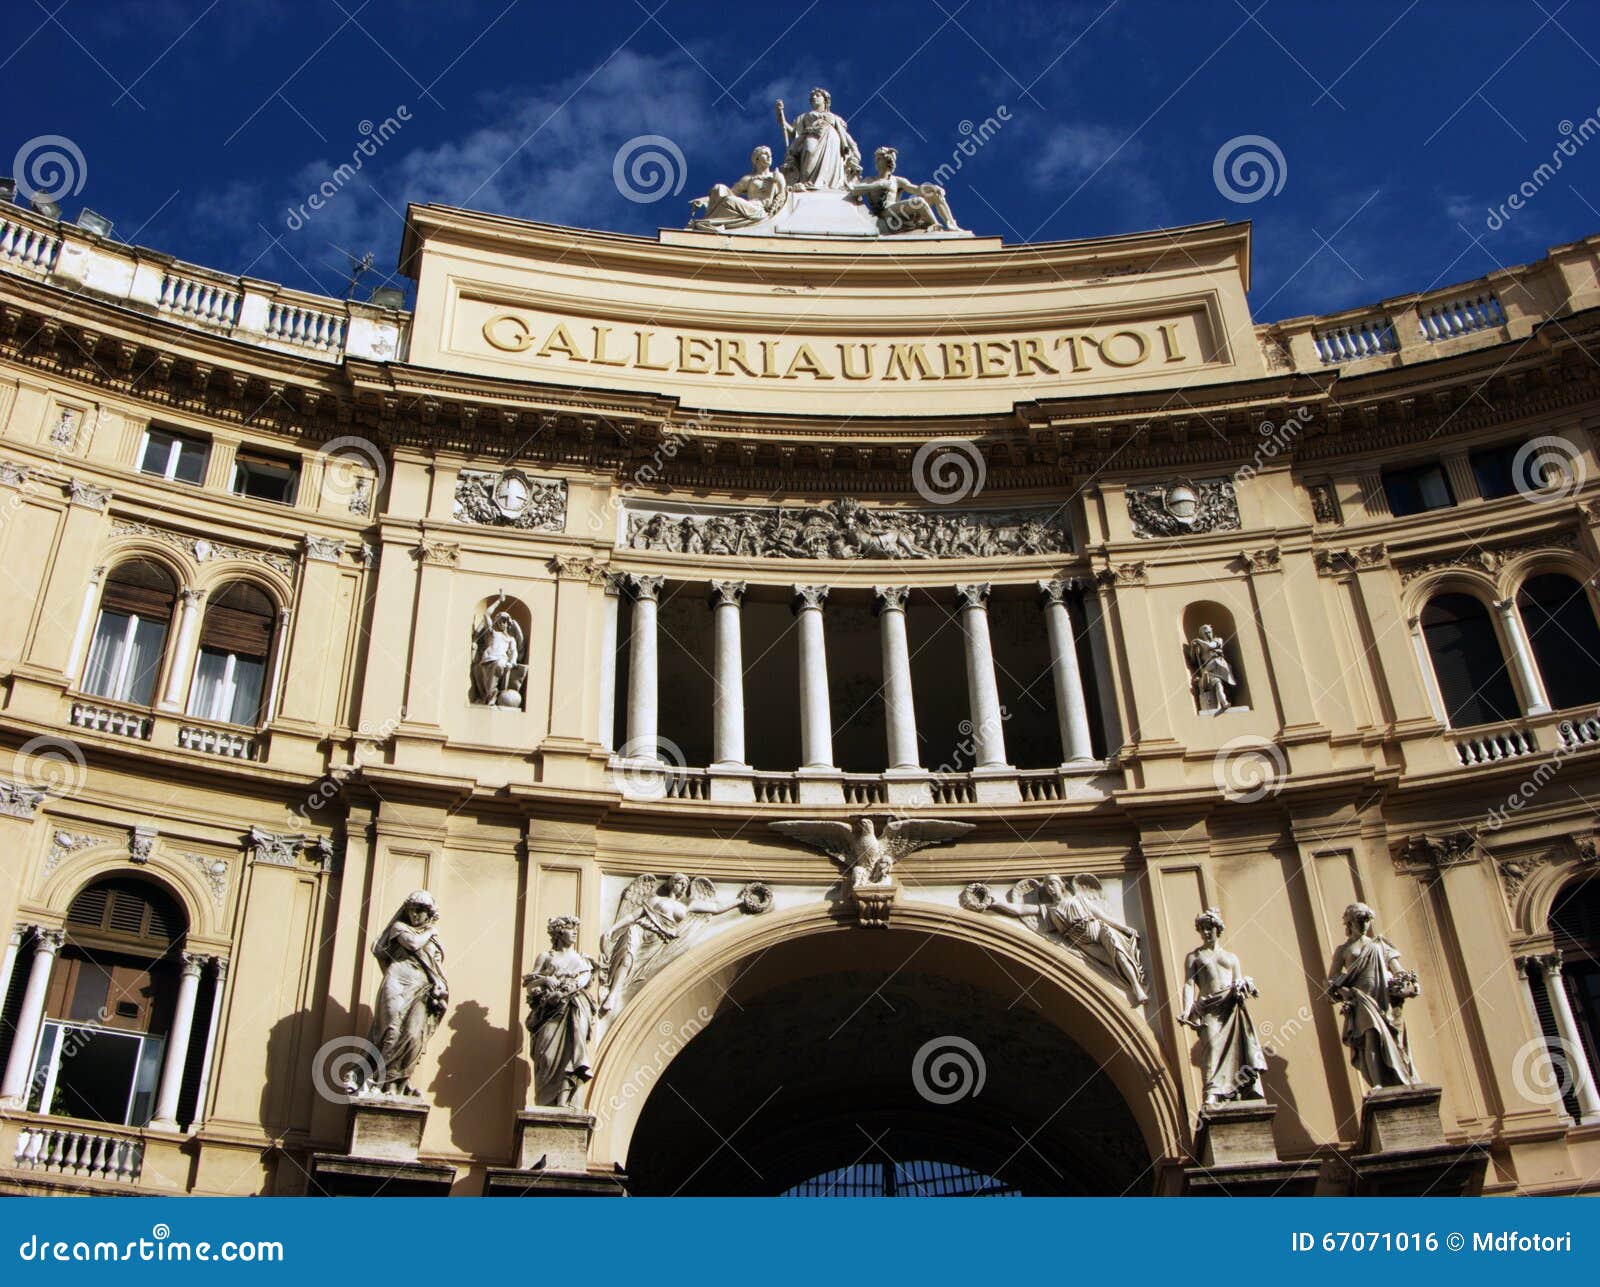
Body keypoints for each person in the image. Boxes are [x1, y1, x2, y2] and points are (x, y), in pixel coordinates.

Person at [359, 891, 448, 1096]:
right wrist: (431, 930)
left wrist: (440, 987)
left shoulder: (433, 941)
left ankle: (397, 1083)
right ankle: (379, 1083)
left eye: (419, 911)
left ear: (428, 912)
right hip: (397, 982)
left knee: (413, 1035)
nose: (414, 915)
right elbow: (413, 944)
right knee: (391, 1029)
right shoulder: (400, 928)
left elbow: (436, 967)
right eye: (411, 910)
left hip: (422, 988)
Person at [1327, 902, 1420, 1089]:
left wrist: (1408, 983)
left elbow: (1398, 970)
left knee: (1392, 1038)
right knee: (1370, 1035)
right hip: (1361, 998)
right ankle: (1377, 1083)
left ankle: (1398, 1075)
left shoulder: (1379, 944)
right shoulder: (1343, 950)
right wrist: (1346, 993)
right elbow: (1332, 978)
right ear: (1350, 922)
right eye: (1359, 921)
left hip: (1384, 998)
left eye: (1367, 921)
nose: (1364, 925)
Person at [1180, 909, 1267, 1104]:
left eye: (1209, 928)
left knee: (1238, 1048)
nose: (1205, 932)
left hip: (1231, 1007)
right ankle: (1211, 1093)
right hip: (1209, 1008)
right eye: (1202, 929)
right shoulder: (1194, 957)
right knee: (1211, 1048)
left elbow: (1238, 980)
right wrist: (1186, 1011)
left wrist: (1245, 987)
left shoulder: (1231, 958)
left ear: (1217, 929)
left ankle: (1235, 1089)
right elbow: (1188, 984)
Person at [524, 917, 598, 1108]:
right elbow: (530, 983)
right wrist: (545, 981)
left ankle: (564, 1101)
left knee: (571, 1053)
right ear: (558, 933)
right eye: (568, 929)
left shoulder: (583, 960)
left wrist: (571, 987)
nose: (574, 932)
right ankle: (547, 1101)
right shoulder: (546, 956)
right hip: (550, 1010)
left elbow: (584, 981)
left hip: (575, 1007)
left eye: (575, 929)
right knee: (547, 1057)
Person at [847, 146, 962, 233]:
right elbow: (855, 190)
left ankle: (952, 226)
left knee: (934, 195)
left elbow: (916, 189)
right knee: (919, 202)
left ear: (887, 161)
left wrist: (933, 188)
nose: (876, 162)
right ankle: (935, 226)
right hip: (884, 212)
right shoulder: (870, 179)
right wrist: (878, 185)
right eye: (876, 159)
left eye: (878, 159)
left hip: (897, 209)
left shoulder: (897, 180)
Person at [775, 89, 862, 191]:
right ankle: (807, 182)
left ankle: (828, 185)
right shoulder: (804, 116)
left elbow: (844, 135)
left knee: (830, 162)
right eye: (812, 97)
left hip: (831, 137)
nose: (814, 98)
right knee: (809, 151)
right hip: (811, 134)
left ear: (825, 100)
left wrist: (853, 150)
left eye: (817, 95)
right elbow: (794, 133)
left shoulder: (835, 117)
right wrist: (781, 118)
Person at [689, 145, 789, 230]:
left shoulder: (776, 175)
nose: (769, 156)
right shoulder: (749, 179)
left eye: (770, 154)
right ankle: (709, 221)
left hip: (759, 209)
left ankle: (709, 223)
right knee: (720, 188)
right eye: (765, 154)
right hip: (749, 205)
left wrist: (778, 182)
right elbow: (730, 192)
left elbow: (782, 196)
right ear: (756, 159)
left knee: (729, 200)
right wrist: (705, 200)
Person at [471, 593, 524, 706]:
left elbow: (514, 651)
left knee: (498, 667)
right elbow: (486, 614)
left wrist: (512, 662)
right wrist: (499, 601)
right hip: (487, 660)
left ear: (508, 624)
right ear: (497, 622)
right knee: (485, 684)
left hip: (500, 660)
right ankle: (487, 698)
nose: (502, 623)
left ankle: (492, 698)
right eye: (500, 620)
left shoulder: (511, 638)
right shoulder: (492, 633)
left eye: (505, 621)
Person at [1187, 624, 1236, 713]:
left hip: (1220, 667)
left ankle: (1225, 701)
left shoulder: (1218, 640)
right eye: (1206, 633)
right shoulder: (1200, 646)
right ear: (1202, 634)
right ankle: (1224, 703)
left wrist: (1198, 641)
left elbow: (1210, 646)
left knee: (1224, 687)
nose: (1208, 634)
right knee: (1218, 684)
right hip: (1209, 670)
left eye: (1209, 632)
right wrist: (1193, 648)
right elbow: (1193, 660)